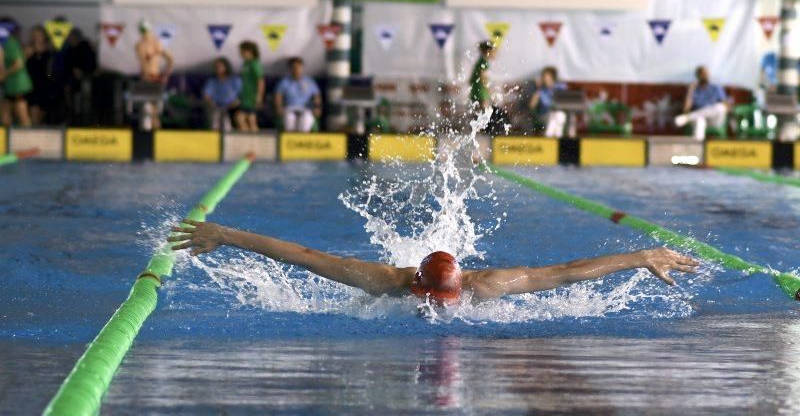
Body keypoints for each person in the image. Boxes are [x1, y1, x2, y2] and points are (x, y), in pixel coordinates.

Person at [168, 220, 699, 304]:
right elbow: (308, 257)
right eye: (428, 299)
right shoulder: (387, 282)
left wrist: (641, 256)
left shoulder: (486, 286)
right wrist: (227, 235)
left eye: (440, 301)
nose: (435, 308)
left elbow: (563, 272)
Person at [135, 20, 174, 130]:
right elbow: (144, 61)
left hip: (156, 78)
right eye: (143, 31)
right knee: (147, 110)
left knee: (156, 111)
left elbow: (170, 59)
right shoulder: (139, 45)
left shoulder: (157, 44)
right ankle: (146, 137)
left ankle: (156, 138)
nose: (145, 34)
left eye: (146, 31)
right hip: (145, 79)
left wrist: (166, 75)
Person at [675, 66, 730, 140]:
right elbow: (686, 110)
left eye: (707, 73)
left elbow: (726, 106)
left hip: (714, 120)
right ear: (698, 76)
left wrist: (724, 107)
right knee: (699, 121)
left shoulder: (716, 88)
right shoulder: (694, 89)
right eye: (703, 74)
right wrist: (690, 90)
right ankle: (698, 149)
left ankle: (688, 118)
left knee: (720, 107)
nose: (705, 76)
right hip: (699, 118)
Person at [25, 25, 64, 125]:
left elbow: (53, 69)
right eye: (35, 36)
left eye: (39, 35)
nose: (37, 38)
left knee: (44, 114)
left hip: (46, 85)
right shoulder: (28, 50)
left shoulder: (50, 50)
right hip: (32, 85)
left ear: (44, 36)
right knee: (34, 113)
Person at [274, 57, 321, 132]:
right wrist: (279, 107)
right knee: (289, 119)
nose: (296, 69)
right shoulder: (284, 82)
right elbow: (278, 96)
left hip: (305, 109)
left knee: (306, 119)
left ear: (302, 67)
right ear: (290, 69)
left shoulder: (309, 81)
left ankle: (302, 140)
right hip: (289, 108)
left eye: (298, 67)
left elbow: (316, 96)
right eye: (294, 67)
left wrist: (317, 107)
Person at [0, 19, 32, 127]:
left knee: (22, 116)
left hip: (18, 84)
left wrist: (4, 74)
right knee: (5, 114)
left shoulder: (10, 42)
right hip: (10, 84)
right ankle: (7, 140)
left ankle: (31, 140)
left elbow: (18, 64)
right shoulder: (4, 42)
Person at [203, 57, 241, 131]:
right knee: (216, 115)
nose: (218, 68)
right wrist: (211, 102)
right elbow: (206, 95)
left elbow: (241, 95)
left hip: (232, 107)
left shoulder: (234, 80)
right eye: (216, 67)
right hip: (217, 107)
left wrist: (236, 102)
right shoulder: (212, 81)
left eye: (220, 66)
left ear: (226, 67)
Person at [529, 66, 567, 138]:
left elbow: (565, 100)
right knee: (557, 116)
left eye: (547, 77)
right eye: (544, 77)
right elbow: (532, 107)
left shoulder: (560, 87)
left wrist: (551, 87)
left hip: (556, 115)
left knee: (558, 115)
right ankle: (558, 139)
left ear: (553, 78)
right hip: (543, 115)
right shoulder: (540, 91)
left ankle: (548, 136)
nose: (545, 79)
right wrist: (537, 93)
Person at [235, 41, 264, 132]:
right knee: (241, 119)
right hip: (245, 96)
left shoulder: (255, 64)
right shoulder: (245, 64)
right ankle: (249, 141)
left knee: (249, 120)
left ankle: (254, 141)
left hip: (252, 96)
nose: (240, 53)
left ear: (249, 51)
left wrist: (259, 95)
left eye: (242, 51)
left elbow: (261, 81)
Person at [468, 40, 497, 111]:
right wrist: (489, 90)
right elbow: (483, 78)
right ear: (488, 51)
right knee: (483, 113)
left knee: (478, 113)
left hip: (476, 90)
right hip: (481, 91)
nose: (495, 53)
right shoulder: (484, 62)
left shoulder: (480, 61)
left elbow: (471, 80)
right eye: (494, 51)